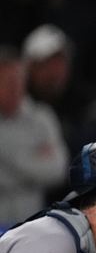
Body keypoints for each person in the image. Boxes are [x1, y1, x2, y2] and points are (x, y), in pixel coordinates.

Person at [0, 47, 68, 225]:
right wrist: (34, 162)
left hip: (31, 224)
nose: (13, 88)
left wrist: (7, 162)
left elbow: (58, 169)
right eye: (6, 82)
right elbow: (43, 170)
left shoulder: (42, 117)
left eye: (17, 81)